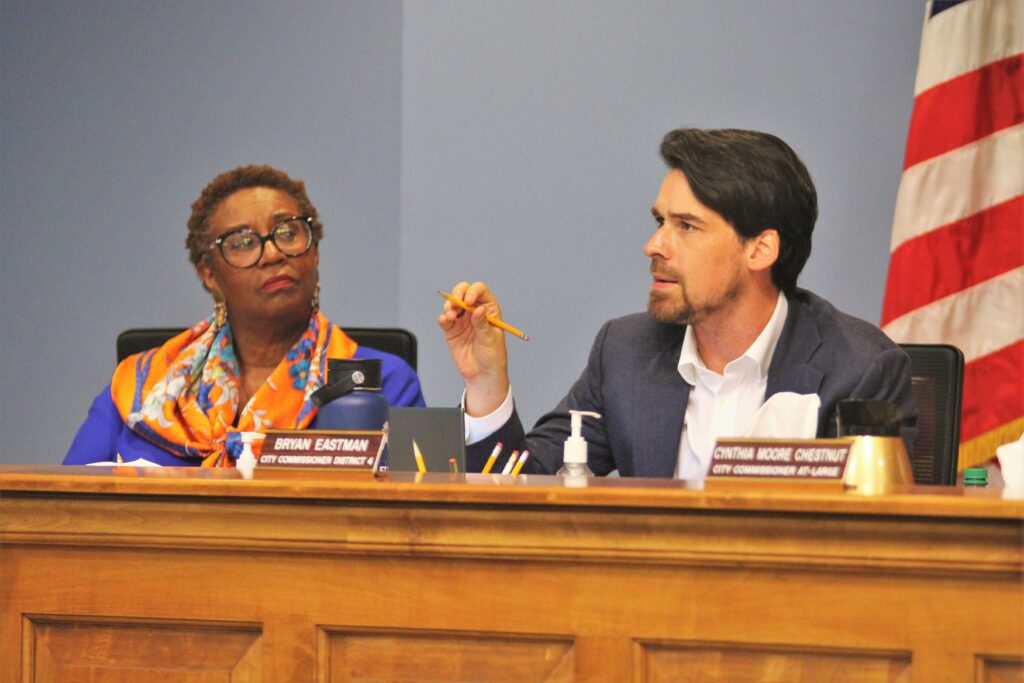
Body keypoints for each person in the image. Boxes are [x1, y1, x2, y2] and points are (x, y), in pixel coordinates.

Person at [439, 128, 916, 478]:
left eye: (686, 227)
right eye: (659, 221)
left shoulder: (858, 370)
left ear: (760, 249)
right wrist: (486, 385)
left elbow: (878, 545)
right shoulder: (625, 351)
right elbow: (522, 489)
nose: (654, 245)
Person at [65, 165, 424, 466]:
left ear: (313, 252)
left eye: (288, 232)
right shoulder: (141, 385)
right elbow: (67, 507)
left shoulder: (382, 381)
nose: (272, 255)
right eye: (242, 243)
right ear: (209, 274)